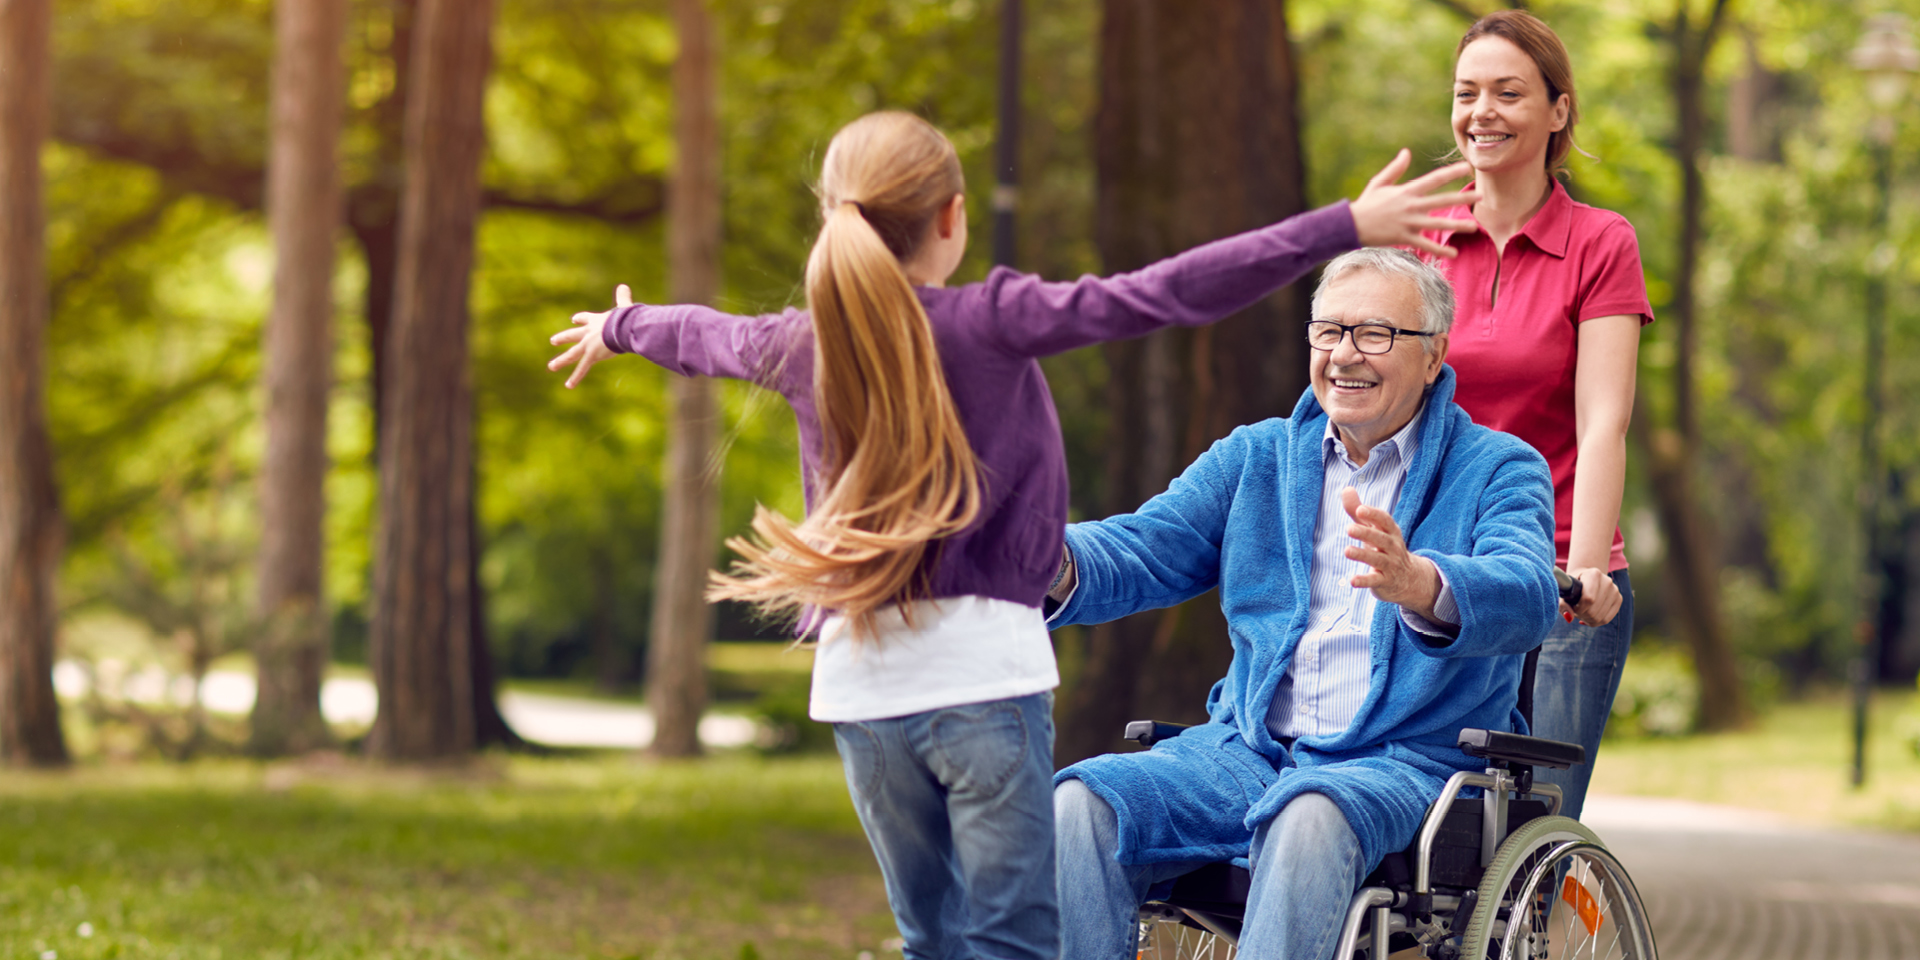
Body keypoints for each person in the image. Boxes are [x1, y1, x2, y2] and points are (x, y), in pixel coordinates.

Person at [547, 113, 1477, 960]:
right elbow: (1160, 294)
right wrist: (1339, 227)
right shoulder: (990, 321)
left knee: (931, 941)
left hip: (860, 691)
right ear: (951, 218)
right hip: (984, 684)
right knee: (1011, 944)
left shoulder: (804, 340)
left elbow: (708, 334)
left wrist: (623, 326)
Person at [1047, 248, 1558, 960]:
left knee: (1309, 812)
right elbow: (1145, 546)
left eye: (1375, 334)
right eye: (1329, 332)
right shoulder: (1257, 457)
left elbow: (1531, 594)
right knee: (1081, 806)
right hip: (1246, 751)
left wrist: (1419, 581)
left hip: (1403, 762)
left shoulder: (1499, 467)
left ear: (1435, 354)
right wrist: (1045, 556)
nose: (1345, 355)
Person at [1421, 10, 1654, 821]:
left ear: (1558, 110)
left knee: (1533, 834)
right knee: (1421, 832)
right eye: (1466, 92)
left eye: (1508, 92)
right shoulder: (1423, 238)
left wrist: (1583, 570)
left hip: (1561, 576)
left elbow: (1602, 421)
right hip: (1442, 577)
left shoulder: (1600, 242)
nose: (1481, 111)